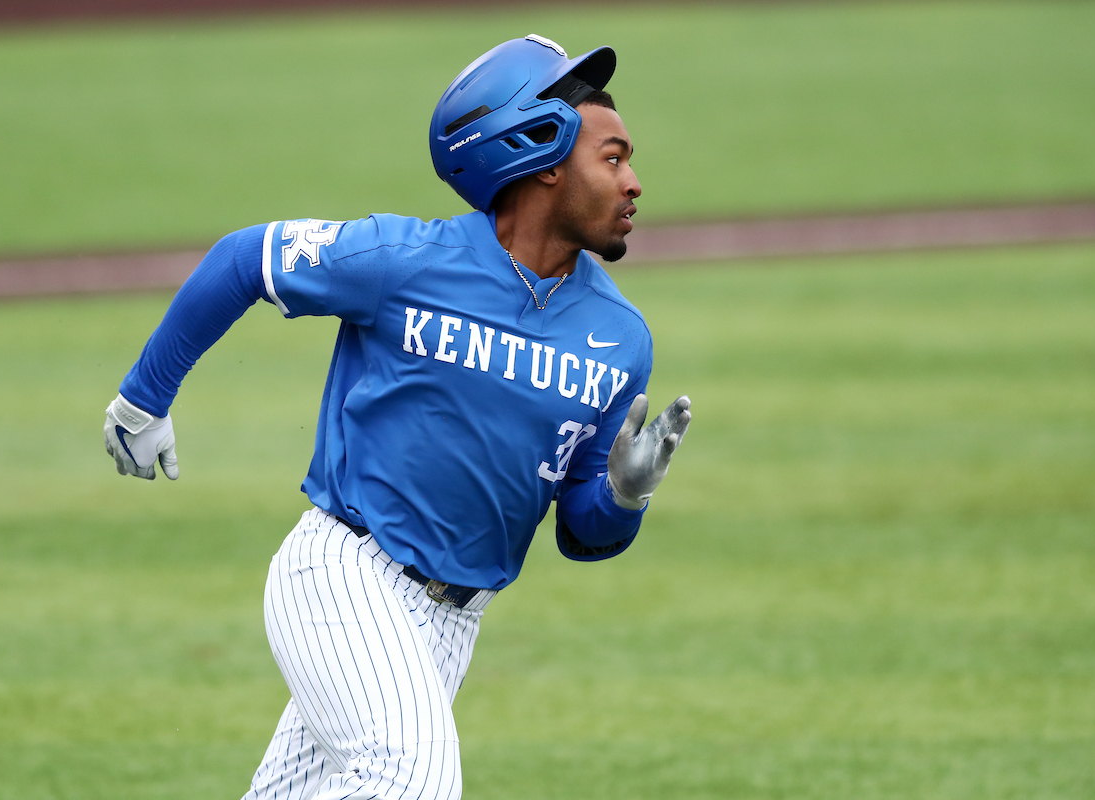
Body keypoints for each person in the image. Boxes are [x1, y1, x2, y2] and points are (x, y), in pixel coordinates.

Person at [102, 34, 691, 800]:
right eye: (612, 158)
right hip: (344, 574)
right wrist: (144, 397)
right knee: (411, 779)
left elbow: (583, 534)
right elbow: (245, 260)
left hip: (452, 628)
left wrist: (623, 496)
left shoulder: (621, 340)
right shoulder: (409, 262)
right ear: (544, 154)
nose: (635, 182)